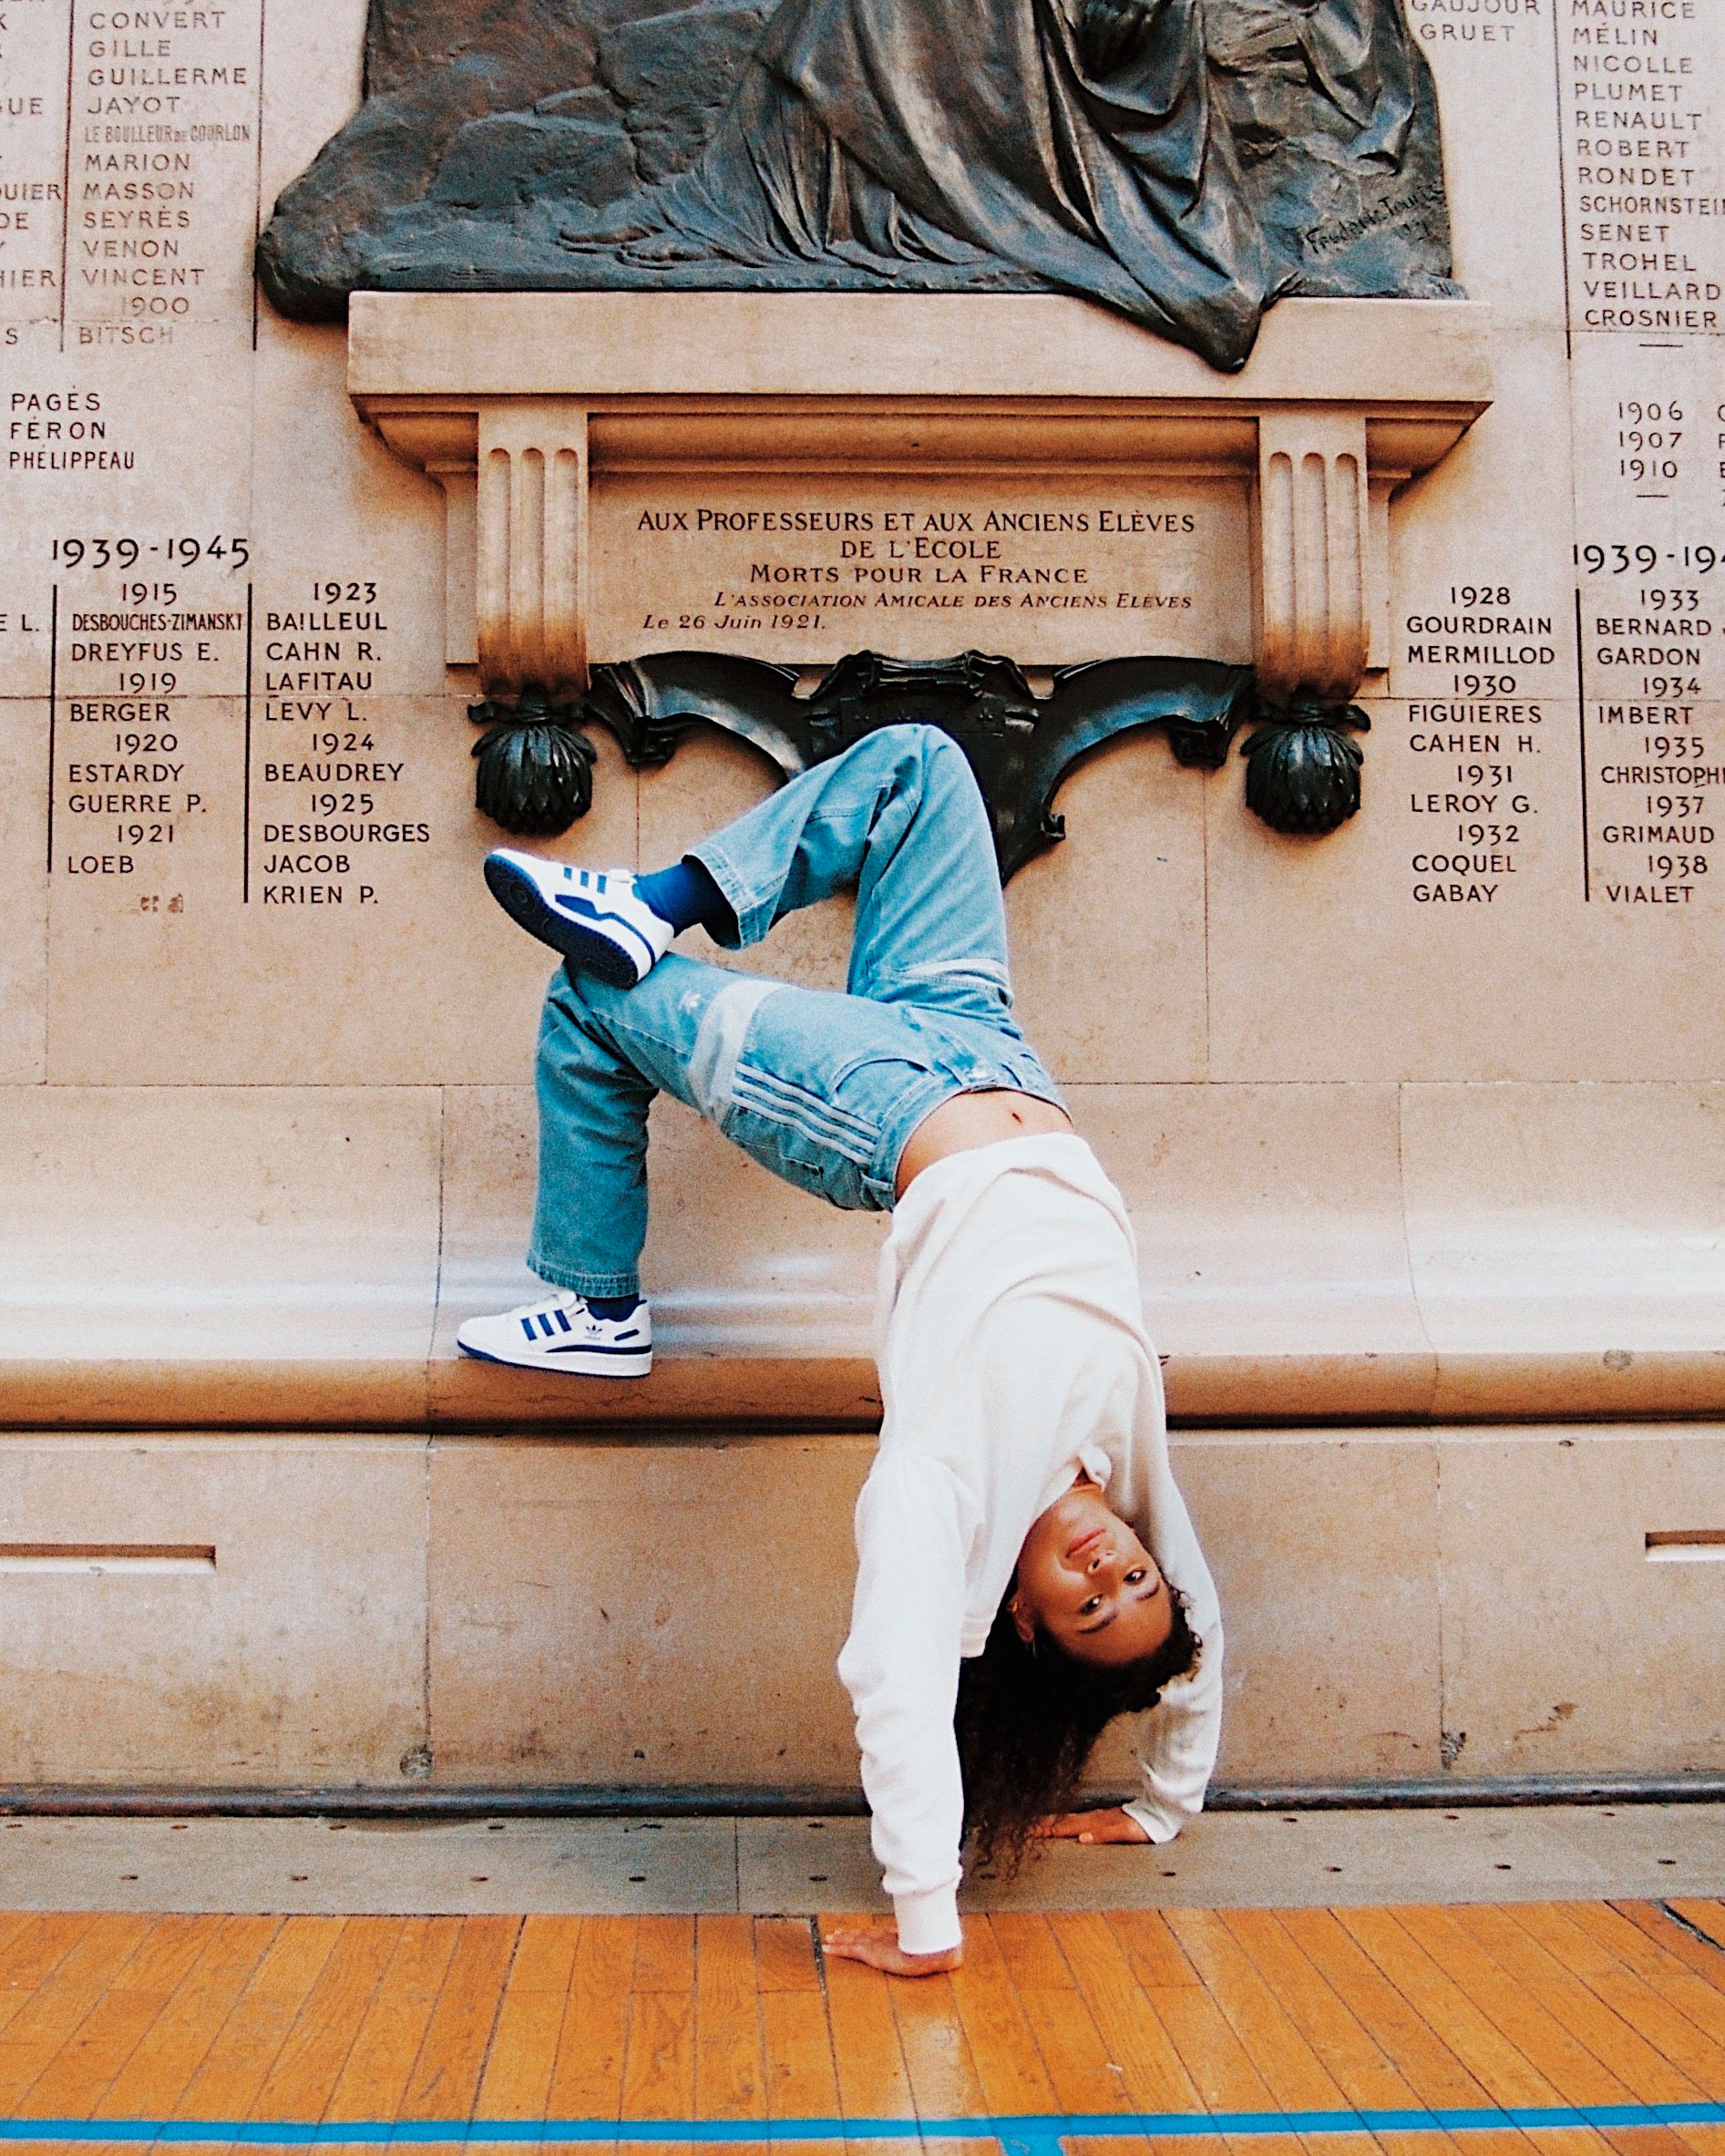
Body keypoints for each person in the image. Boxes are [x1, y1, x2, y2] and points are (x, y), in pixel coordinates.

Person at [458, 724, 1223, 1972]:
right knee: (920, 766)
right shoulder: (1126, 1472)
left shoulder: (944, 1491)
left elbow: (898, 1685)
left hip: (886, 1111)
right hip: (985, 1047)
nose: (1112, 1570)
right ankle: (664, 897)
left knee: (592, 991)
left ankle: (594, 1304)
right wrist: (1162, 1803)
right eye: (1133, 1581)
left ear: (1024, 1621)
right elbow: (1196, 1642)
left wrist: (926, 1922)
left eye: (1088, 1605)